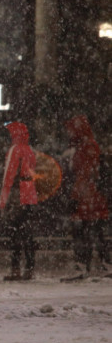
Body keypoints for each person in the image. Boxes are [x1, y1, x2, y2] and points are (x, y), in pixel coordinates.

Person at [64, 115, 109, 276]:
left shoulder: (85, 147)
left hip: (86, 194)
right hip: (89, 194)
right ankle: (98, 263)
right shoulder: (87, 145)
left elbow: (85, 172)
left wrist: (77, 195)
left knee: (86, 230)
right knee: (93, 230)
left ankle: (84, 263)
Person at [0, 122, 38, 281]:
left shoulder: (15, 150)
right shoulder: (30, 150)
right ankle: (30, 267)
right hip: (29, 193)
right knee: (27, 232)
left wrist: (2, 201)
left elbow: (8, 175)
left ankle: (16, 269)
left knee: (14, 232)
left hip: (17, 194)